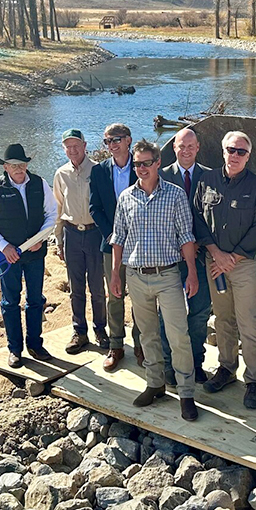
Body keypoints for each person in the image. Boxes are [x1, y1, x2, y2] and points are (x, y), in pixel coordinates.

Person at [110, 140, 202, 421]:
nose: (141, 168)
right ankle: (155, 383)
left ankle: (186, 393)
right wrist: (116, 274)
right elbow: (119, 238)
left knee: (178, 335)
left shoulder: (174, 195)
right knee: (147, 334)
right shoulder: (126, 197)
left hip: (168, 275)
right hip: (137, 276)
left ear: (158, 163)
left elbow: (186, 236)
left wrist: (192, 273)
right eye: (137, 164)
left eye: (146, 163)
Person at [194, 130, 256, 409]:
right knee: (223, 319)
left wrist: (232, 258)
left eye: (241, 152)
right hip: (214, 263)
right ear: (223, 151)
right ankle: (226, 369)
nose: (235, 155)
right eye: (231, 150)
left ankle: (253, 381)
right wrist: (216, 253)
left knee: (249, 323)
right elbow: (197, 220)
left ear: (248, 156)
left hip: (243, 265)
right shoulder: (207, 180)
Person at [0, 143, 59, 367]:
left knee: (35, 300)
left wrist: (40, 238)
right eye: (14, 165)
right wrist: (4, 247)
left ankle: (35, 345)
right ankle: (15, 350)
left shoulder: (40, 184)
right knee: (10, 301)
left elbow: (52, 213)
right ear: (5, 167)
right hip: (9, 257)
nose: (19, 169)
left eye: (22, 164)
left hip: (35, 254)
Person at [159, 128, 212, 386]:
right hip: (169, 257)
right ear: (174, 148)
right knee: (167, 314)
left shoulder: (211, 177)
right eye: (182, 146)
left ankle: (196, 362)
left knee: (200, 312)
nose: (186, 150)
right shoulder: (161, 176)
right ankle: (169, 364)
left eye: (191, 146)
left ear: (198, 147)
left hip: (201, 257)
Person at [90, 123, 140, 371]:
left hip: (142, 244)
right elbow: (94, 208)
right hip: (111, 244)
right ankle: (116, 345)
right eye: (107, 141)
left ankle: (141, 346)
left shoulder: (142, 166)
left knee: (142, 297)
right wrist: (111, 235)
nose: (111, 145)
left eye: (116, 139)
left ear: (128, 140)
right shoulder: (99, 171)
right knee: (115, 295)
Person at [53, 129, 107, 354]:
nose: (72, 150)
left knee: (97, 287)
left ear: (85, 146)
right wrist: (58, 240)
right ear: (64, 149)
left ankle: (101, 330)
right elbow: (57, 209)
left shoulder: (98, 170)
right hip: (72, 234)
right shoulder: (60, 174)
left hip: (95, 234)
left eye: (76, 146)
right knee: (76, 288)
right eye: (68, 147)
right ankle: (80, 331)